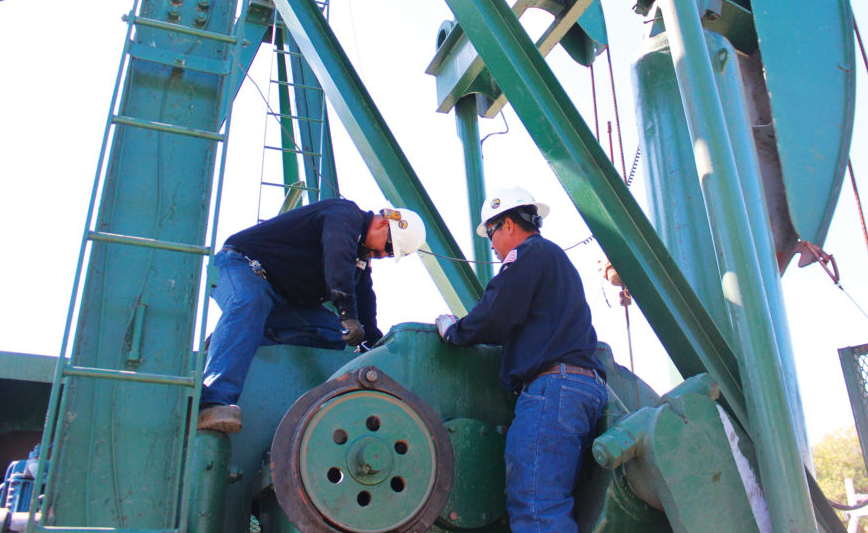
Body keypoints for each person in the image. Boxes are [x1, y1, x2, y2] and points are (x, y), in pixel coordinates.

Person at [434, 187, 607, 533]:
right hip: (581, 388)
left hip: (552, 390)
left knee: (536, 506)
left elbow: (497, 312)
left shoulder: (528, 254)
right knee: (554, 501)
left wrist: (455, 331)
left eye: (492, 233)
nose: (494, 247)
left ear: (509, 224)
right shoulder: (554, 260)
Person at [198, 198, 426, 433]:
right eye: (388, 248)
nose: (382, 255)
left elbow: (365, 300)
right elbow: (337, 254)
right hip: (240, 265)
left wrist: (373, 345)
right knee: (249, 303)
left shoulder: (359, 259)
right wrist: (347, 312)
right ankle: (212, 402)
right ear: (382, 225)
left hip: (279, 298)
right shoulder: (345, 215)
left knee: (333, 334)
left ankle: (227, 339)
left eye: (389, 255)